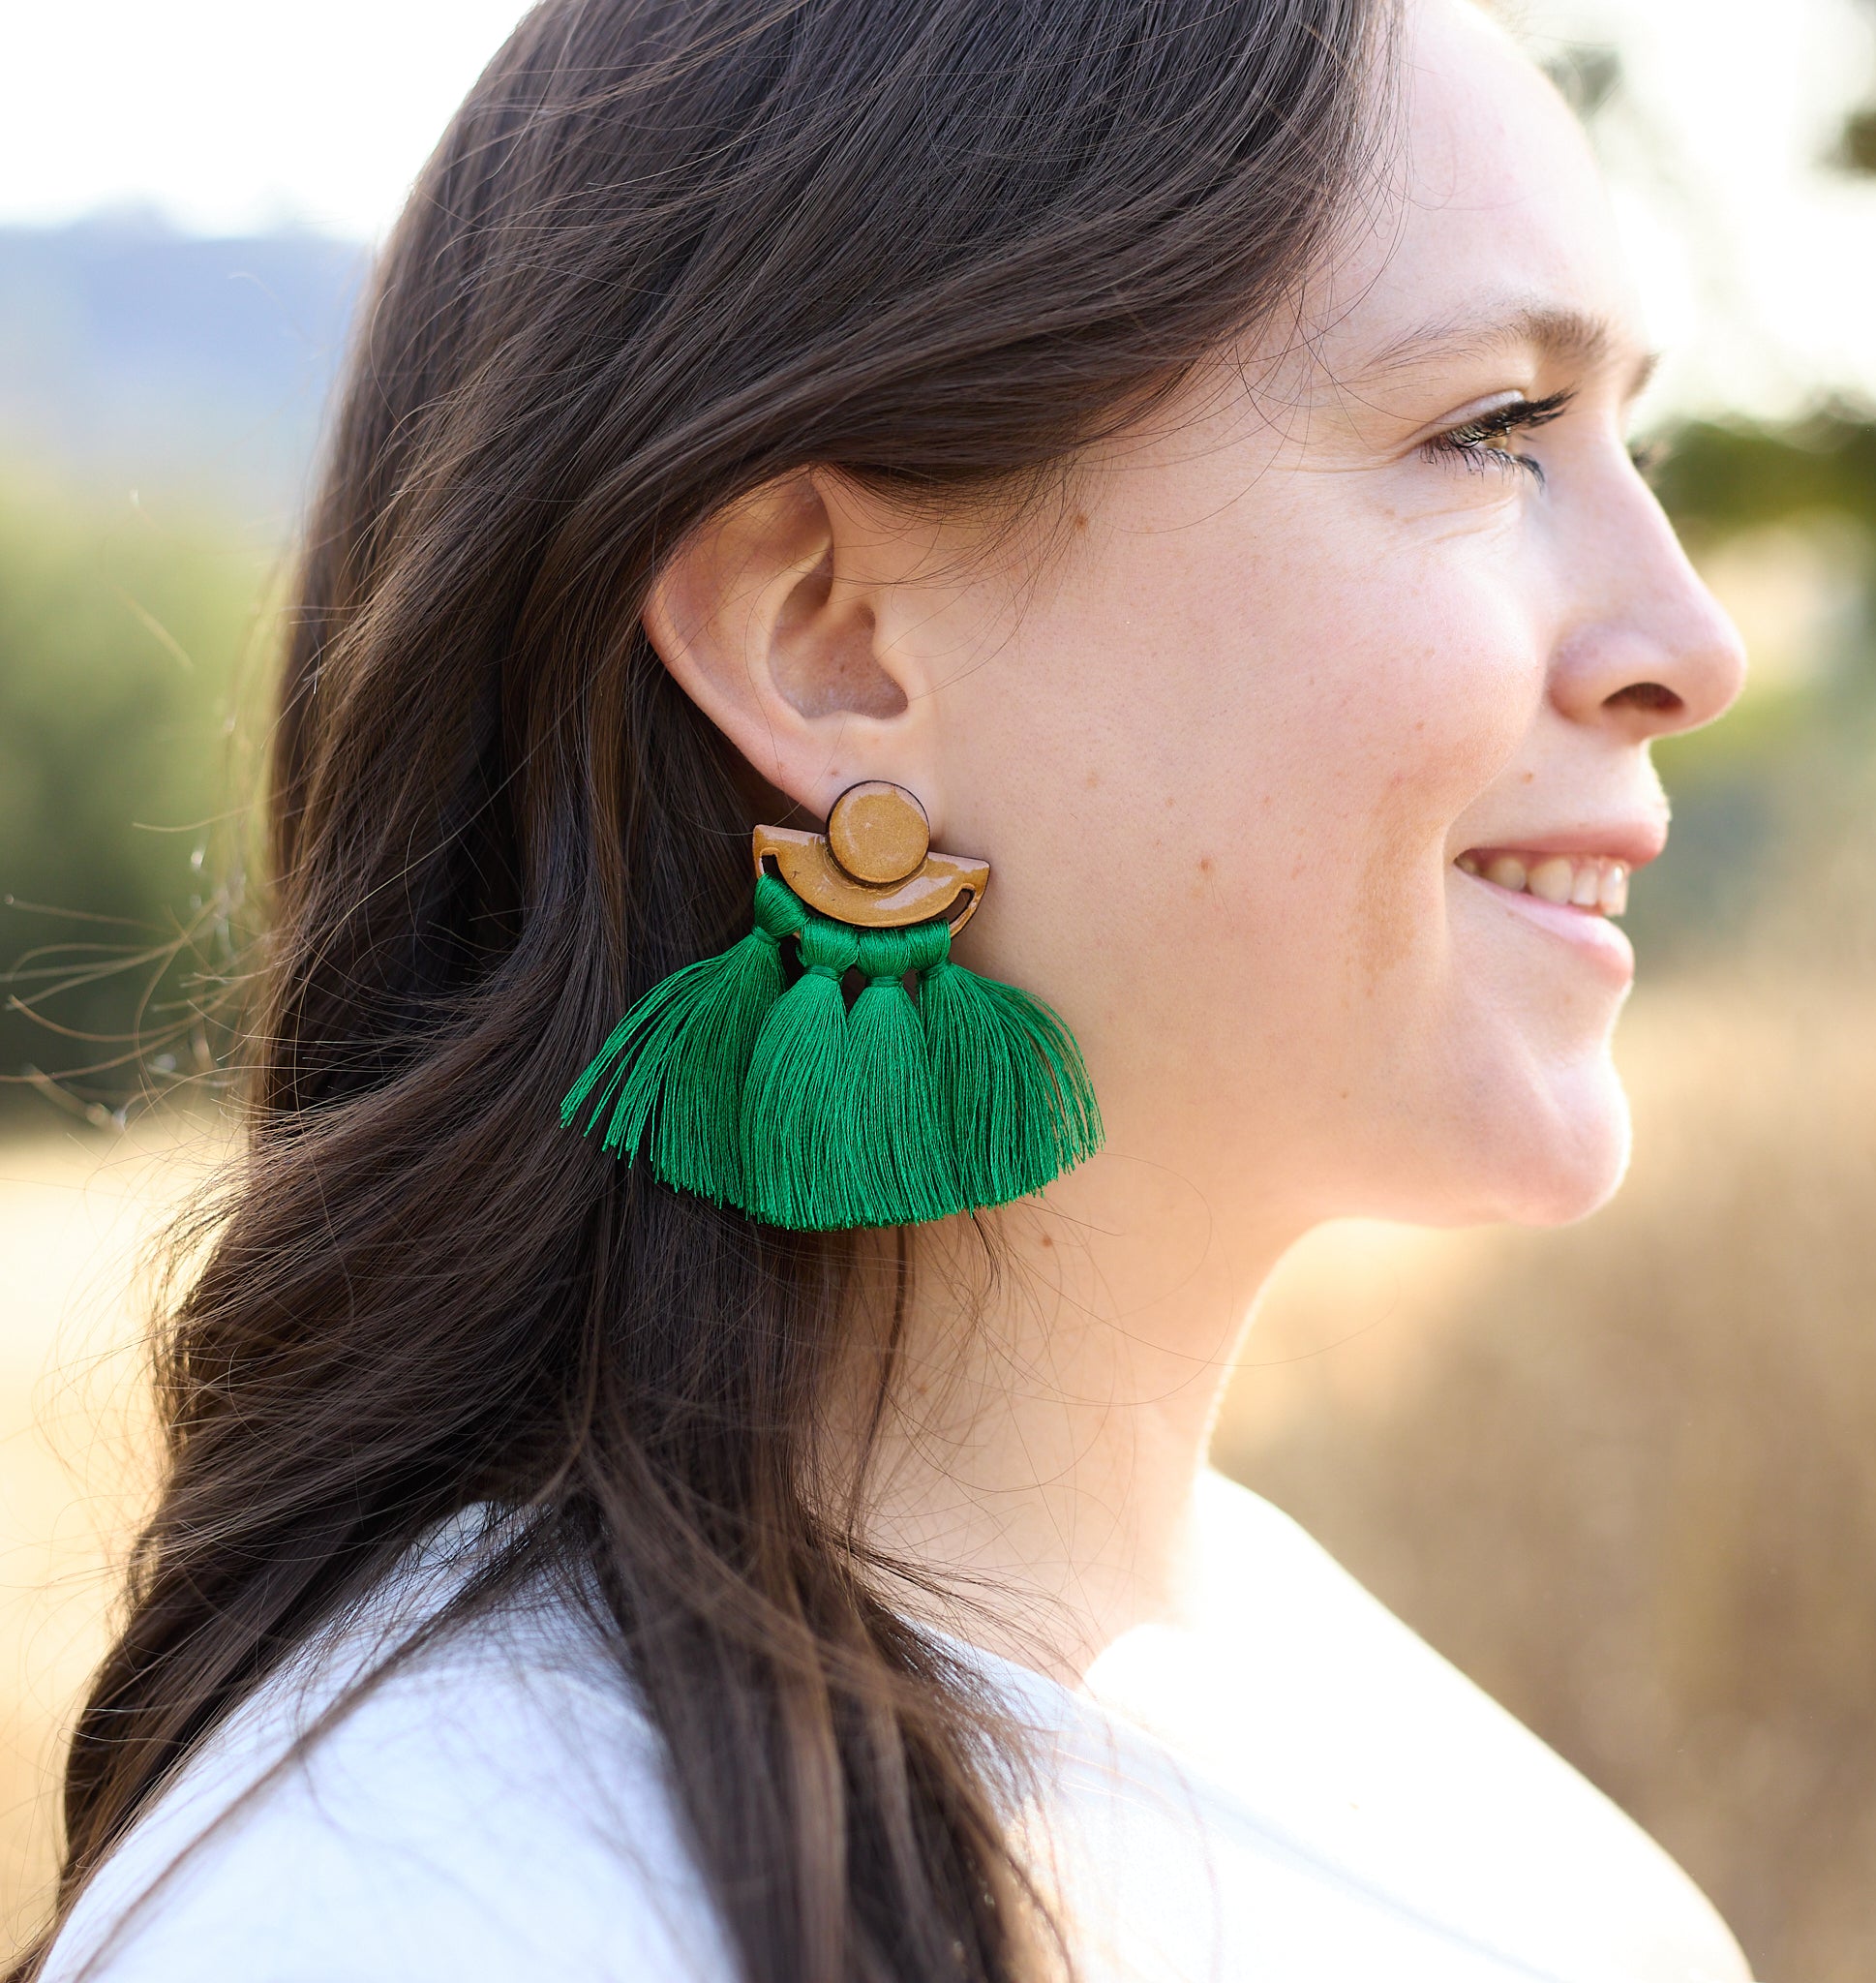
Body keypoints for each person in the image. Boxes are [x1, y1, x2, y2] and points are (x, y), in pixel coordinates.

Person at [21, 0, 1751, 1978]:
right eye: (1487, 431)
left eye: (1637, 436)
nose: (1686, 642)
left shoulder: (1407, 1766)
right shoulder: (432, 1901)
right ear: (829, 640)